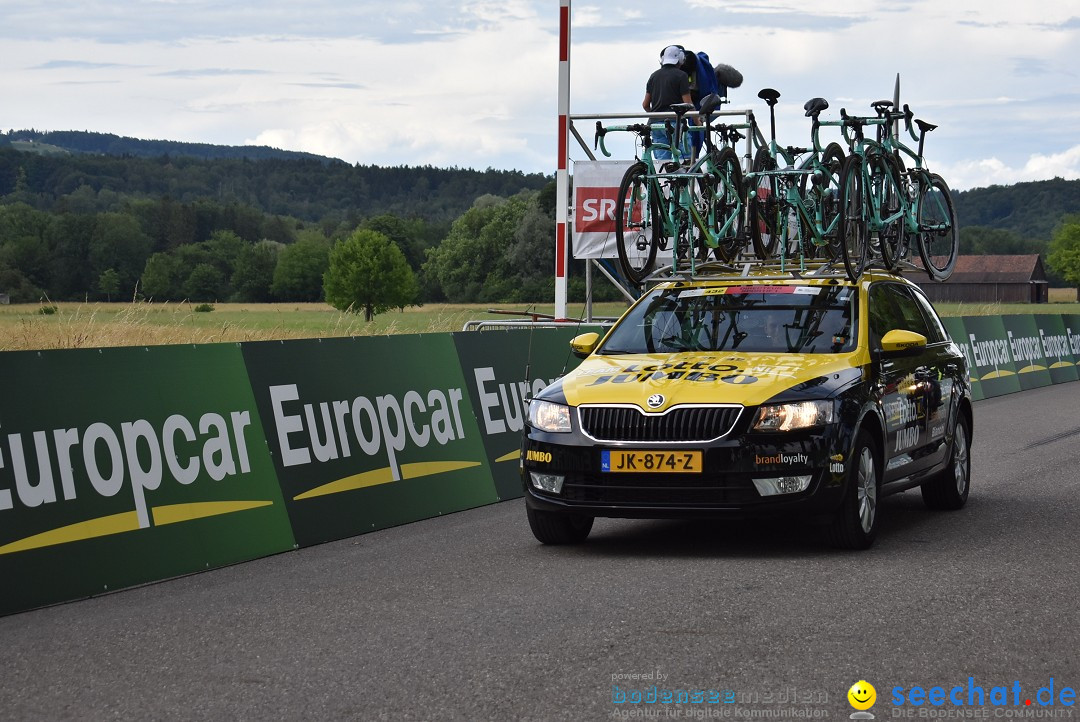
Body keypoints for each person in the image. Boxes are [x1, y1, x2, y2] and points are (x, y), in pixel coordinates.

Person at [642, 45, 693, 162]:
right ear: (680, 59)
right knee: (683, 160)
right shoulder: (681, 76)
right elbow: (688, 104)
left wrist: (655, 115)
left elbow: (645, 104)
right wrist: (698, 122)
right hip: (676, 124)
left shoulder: (654, 76)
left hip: (655, 125)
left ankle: (662, 180)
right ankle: (682, 180)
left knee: (662, 162)